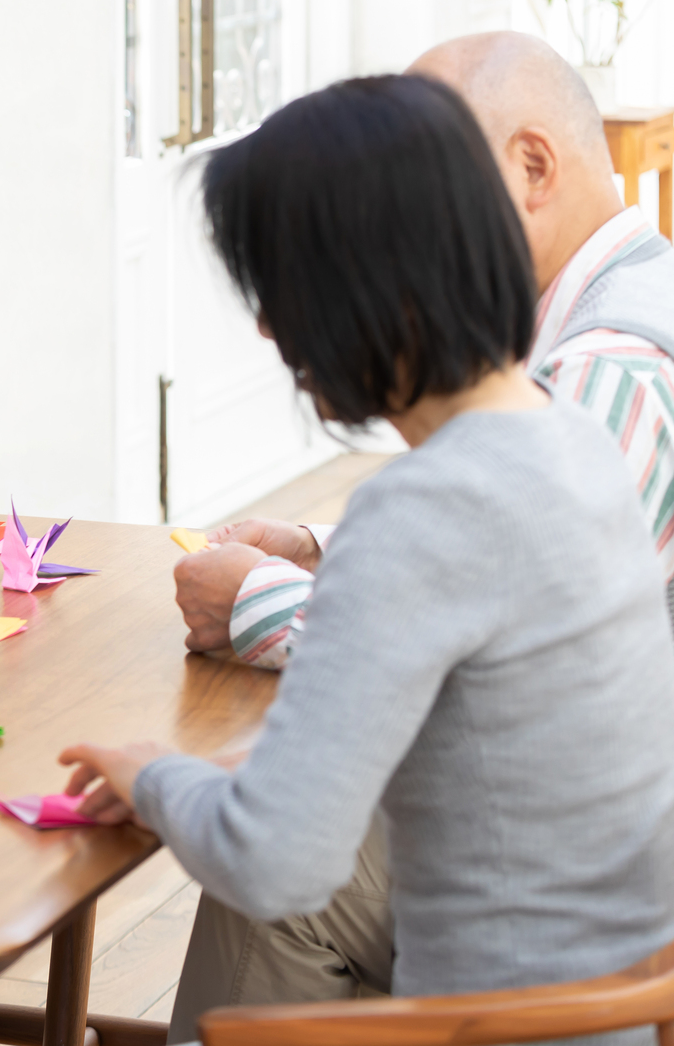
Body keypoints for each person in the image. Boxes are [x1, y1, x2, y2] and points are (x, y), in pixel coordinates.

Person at [61, 73, 674, 1044]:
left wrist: (149, 776)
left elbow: (273, 861)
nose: (268, 329)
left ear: (363, 285)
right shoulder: (578, 447)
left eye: (278, 288)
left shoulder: (420, 508)